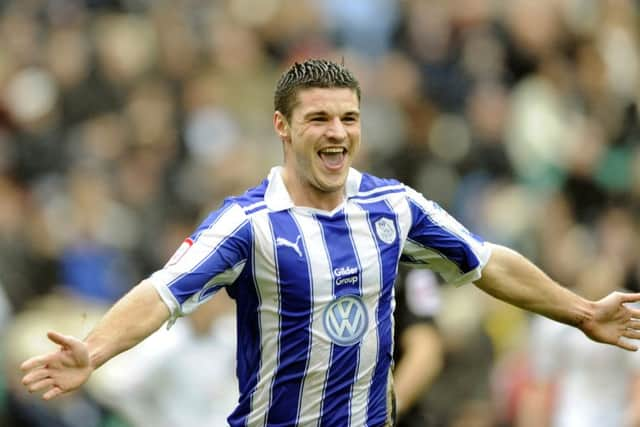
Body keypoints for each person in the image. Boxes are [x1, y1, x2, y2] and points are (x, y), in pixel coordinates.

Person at [19, 59, 640, 427]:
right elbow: (162, 292)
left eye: (349, 118)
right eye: (319, 118)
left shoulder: (392, 206)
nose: (337, 132)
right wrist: (94, 351)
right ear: (283, 128)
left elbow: (485, 262)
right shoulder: (248, 223)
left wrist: (582, 311)